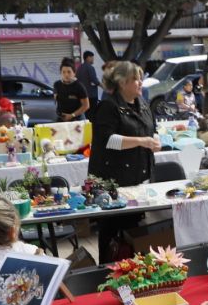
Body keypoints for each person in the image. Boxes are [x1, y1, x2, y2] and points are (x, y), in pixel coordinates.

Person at [90, 61, 160, 262]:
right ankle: (109, 274)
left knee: (134, 233)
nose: (140, 83)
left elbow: (149, 130)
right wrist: (142, 141)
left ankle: (136, 272)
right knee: (113, 233)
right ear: (122, 83)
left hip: (139, 180)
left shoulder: (143, 104)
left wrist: (155, 140)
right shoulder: (108, 106)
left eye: (140, 78)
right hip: (113, 184)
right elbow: (108, 141)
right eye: (135, 79)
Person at [53, 58, 90, 123]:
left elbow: (86, 105)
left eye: (69, 72)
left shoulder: (79, 86)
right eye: (63, 72)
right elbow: (56, 100)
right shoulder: (57, 84)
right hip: (62, 118)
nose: (66, 75)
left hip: (77, 118)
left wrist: (72, 115)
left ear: (74, 73)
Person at [80, 50, 102, 116]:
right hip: (91, 95)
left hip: (82, 95)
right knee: (92, 114)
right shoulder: (90, 67)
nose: (93, 59)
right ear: (88, 58)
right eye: (92, 57)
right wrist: (103, 86)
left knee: (86, 113)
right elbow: (94, 80)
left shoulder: (80, 68)